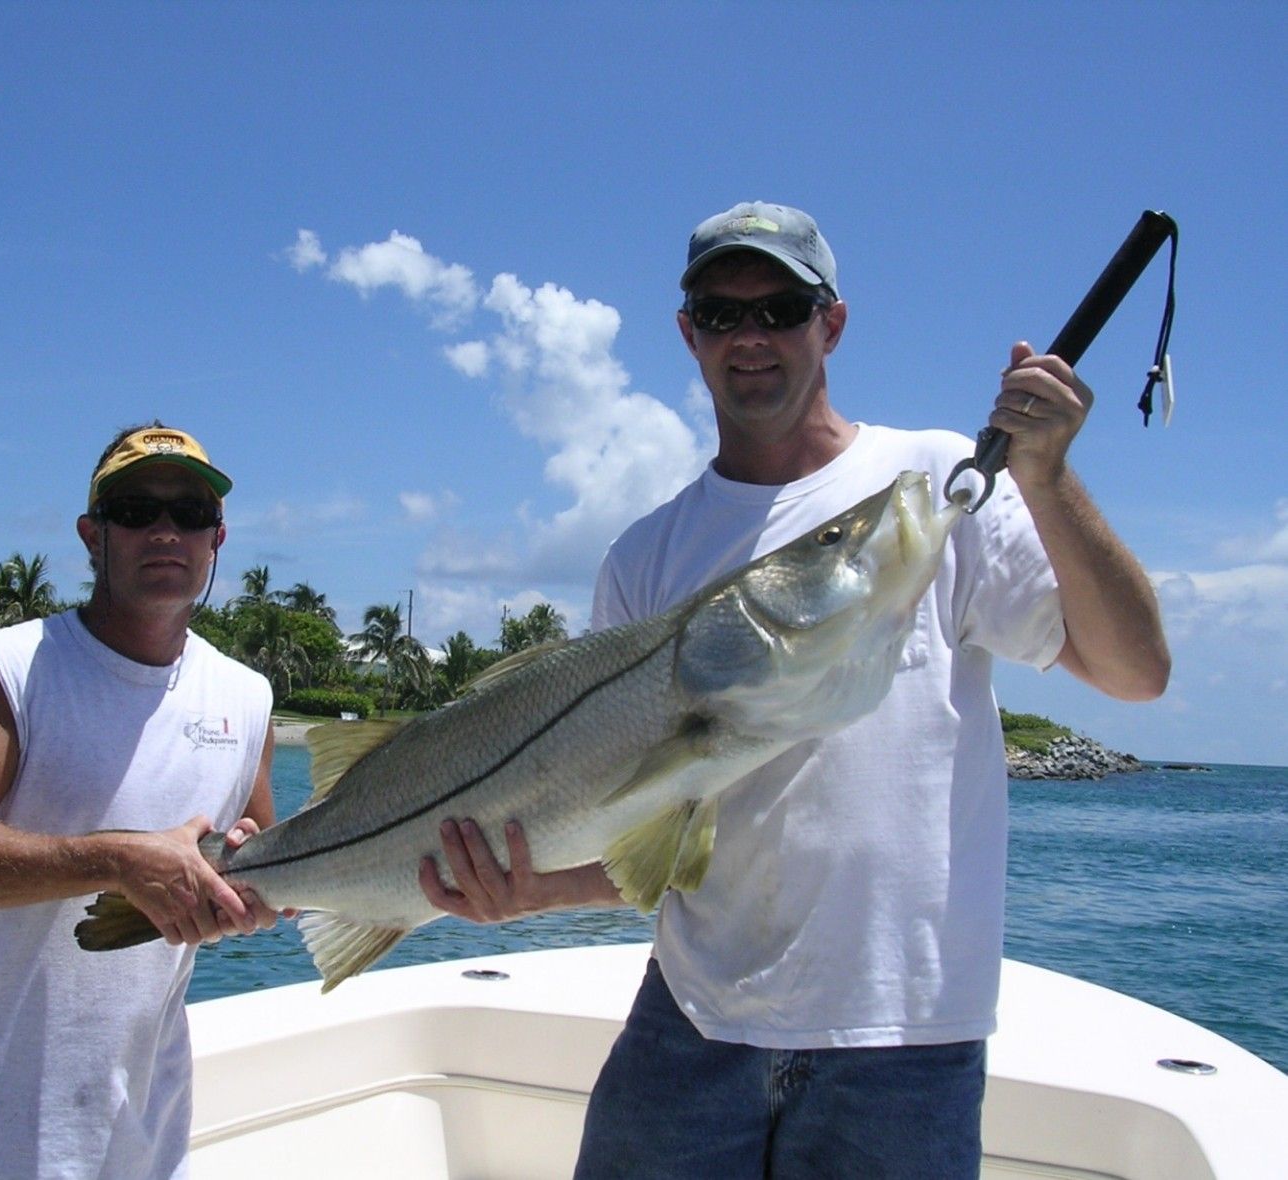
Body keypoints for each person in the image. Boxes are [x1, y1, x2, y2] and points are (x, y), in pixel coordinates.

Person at [419, 203, 1170, 1178]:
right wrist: (525, 892)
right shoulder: (645, 557)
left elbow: (1135, 671)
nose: (752, 336)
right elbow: (653, 838)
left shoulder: (938, 484)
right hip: (690, 1026)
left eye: (780, 307)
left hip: (906, 1044)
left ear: (833, 323)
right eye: (721, 313)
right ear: (688, 332)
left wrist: (1049, 477)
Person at [0, 423, 281, 1180]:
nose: (165, 530)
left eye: (190, 513)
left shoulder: (247, 697)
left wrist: (252, 900)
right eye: (136, 509)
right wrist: (117, 859)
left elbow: (256, 852)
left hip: (147, 1130)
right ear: (91, 534)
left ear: (218, 539)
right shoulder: (2, 668)